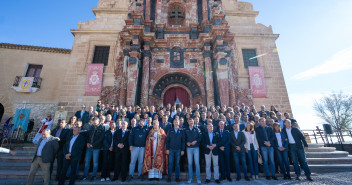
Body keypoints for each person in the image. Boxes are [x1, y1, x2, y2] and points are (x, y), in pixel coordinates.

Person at [82, 117, 105, 181]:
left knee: (95, 162)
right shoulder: (91, 127)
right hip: (89, 147)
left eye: (95, 122)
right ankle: (85, 175)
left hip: (96, 147)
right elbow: (88, 136)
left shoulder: (102, 127)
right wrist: (87, 143)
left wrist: (93, 144)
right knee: (87, 161)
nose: (94, 123)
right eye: (93, 122)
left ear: (98, 121)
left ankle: (94, 176)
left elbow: (101, 138)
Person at [127, 117, 150, 181]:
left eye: (142, 122)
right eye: (140, 122)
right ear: (138, 122)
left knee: (141, 162)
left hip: (142, 148)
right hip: (134, 147)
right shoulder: (134, 129)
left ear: (144, 122)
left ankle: (140, 175)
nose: (141, 123)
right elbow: (130, 137)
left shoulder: (146, 130)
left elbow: (148, 137)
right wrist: (130, 145)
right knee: (132, 162)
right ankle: (130, 175)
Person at [166, 118, 185, 182]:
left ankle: (177, 177)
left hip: (178, 150)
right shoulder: (170, 130)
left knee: (177, 164)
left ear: (179, 123)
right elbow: (167, 141)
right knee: (170, 164)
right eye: (175, 122)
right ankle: (169, 177)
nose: (176, 123)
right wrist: (167, 149)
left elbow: (183, 141)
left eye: (177, 122)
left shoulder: (181, 131)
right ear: (173, 123)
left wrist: (182, 150)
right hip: (171, 149)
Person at [185, 118, 202, 184]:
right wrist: (187, 142)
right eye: (190, 121)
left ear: (194, 122)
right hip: (189, 148)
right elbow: (184, 138)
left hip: (196, 148)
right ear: (188, 122)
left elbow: (200, 137)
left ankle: (198, 178)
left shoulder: (197, 129)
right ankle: (190, 178)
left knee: (197, 163)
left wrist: (196, 141)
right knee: (190, 164)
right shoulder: (186, 129)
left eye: (192, 121)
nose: (191, 122)